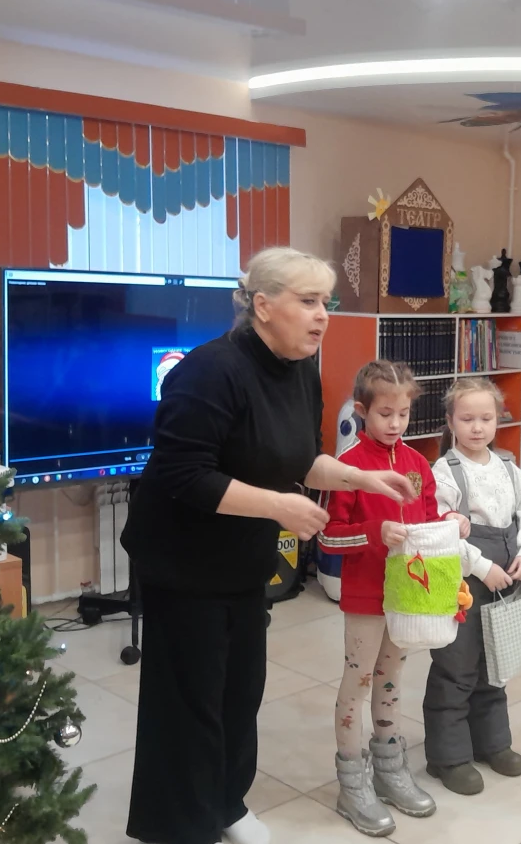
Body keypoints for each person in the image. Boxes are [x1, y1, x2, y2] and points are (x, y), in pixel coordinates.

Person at [120, 248, 415, 844]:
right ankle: (181, 826)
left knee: (240, 692)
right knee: (189, 703)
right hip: (184, 562)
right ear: (262, 305)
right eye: (308, 301)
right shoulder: (208, 371)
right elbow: (184, 475)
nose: (322, 315)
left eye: (326, 302)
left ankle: (226, 803)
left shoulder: (301, 369)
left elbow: (299, 459)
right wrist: (280, 506)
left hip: (243, 560)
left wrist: (360, 478)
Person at [318, 361, 473, 837]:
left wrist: (451, 521)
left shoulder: (417, 463)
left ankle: (389, 769)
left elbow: (426, 519)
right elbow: (327, 539)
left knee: (391, 680)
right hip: (366, 596)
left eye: (403, 414)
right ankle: (352, 781)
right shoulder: (346, 469)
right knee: (359, 681)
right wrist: (374, 531)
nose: (395, 423)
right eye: (385, 414)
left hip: (409, 596)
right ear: (361, 410)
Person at [422, 377, 521, 796]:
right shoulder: (444, 473)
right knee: (456, 667)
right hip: (463, 582)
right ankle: (448, 757)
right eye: (467, 419)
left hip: (505, 580)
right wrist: (481, 565)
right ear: (450, 422)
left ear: (497, 421)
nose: (477, 427)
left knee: (495, 664)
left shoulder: (510, 468)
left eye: (486, 419)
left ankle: (492, 743)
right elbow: (440, 531)